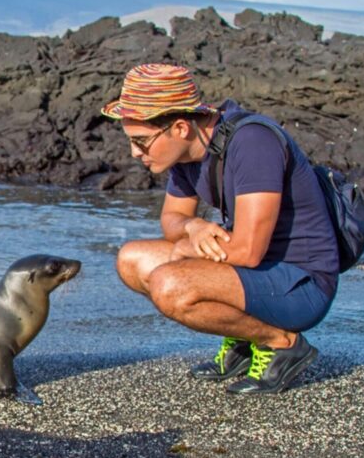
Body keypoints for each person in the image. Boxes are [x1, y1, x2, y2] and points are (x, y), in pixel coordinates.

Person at [105, 63, 339, 394]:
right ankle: (246, 339)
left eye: (141, 141)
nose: (134, 152)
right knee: (132, 259)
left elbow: (247, 251)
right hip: (255, 273)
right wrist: (194, 226)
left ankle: (281, 342)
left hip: (301, 284)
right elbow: (172, 220)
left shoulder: (252, 143)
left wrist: (186, 248)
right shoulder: (189, 153)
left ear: (181, 128)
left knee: (170, 284)